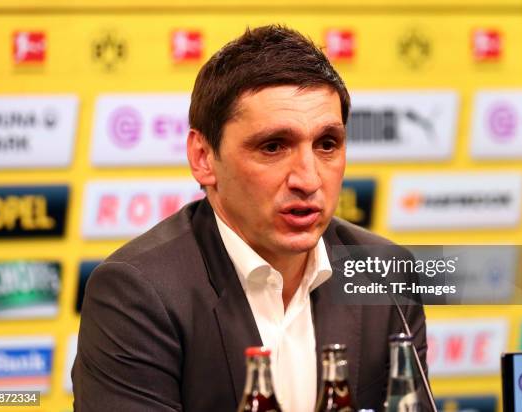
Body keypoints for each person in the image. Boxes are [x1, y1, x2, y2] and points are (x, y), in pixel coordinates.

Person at [72, 25, 428, 412]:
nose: (308, 179)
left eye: (327, 144)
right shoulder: (138, 293)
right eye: (273, 147)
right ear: (203, 158)